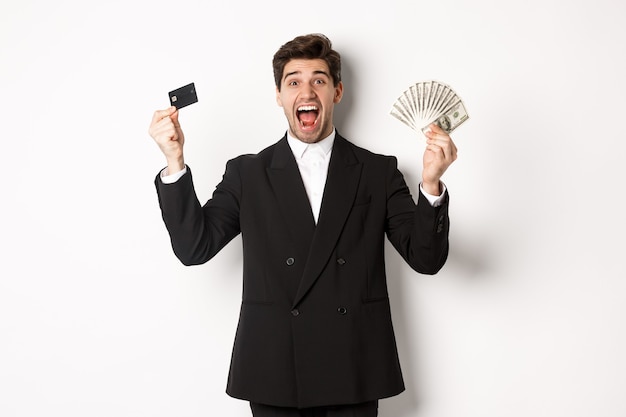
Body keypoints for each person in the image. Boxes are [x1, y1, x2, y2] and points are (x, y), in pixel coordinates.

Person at [149, 33, 457, 417]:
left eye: (319, 80)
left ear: (337, 92)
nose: (306, 90)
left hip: (353, 366)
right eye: (293, 81)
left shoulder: (378, 171)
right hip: (275, 370)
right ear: (279, 95)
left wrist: (431, 185)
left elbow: (426, 258)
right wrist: (174, 162)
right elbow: (194, 248)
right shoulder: (247, 173)